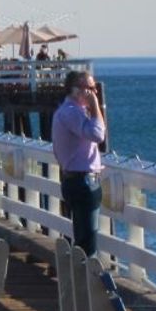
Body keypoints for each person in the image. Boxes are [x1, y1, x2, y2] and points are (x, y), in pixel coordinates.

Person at [52, 70, 107, 256]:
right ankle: (85, 281)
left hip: (75, 179)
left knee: (82, 237)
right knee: (87, 243)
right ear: (76, 91)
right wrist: (96, 107)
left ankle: (80, 278)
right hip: (83, 182)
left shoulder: (68, 112)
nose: (95, 92)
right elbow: (98, 134)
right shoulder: (71, 113)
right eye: (90, 88)